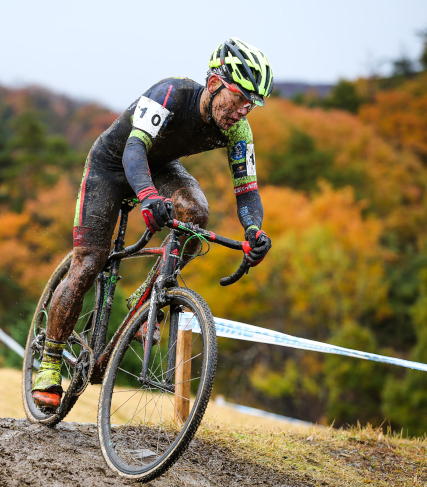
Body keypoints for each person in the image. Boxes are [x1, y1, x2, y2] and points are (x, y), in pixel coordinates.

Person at [32, 37, 274, 408]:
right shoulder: (171, 94)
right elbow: (133, 149)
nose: (243, 111)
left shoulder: (238, 131)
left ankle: (149, 295)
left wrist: (254, 230)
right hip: (112, 166)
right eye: (239, 98)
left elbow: (247, 192)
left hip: (161, 168)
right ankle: (49, 362)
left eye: (251, 104)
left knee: (195, 217)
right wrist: (147, 196)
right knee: (88, 264)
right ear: (213, 84)